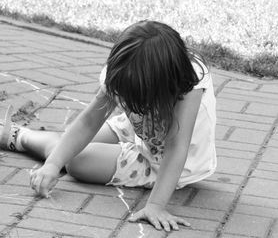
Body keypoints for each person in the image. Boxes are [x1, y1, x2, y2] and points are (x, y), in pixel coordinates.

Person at [0, 20, 216, 231]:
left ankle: (22, 139)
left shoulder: (190, 83)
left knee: (76, 161)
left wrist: (155, 205)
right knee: (70, 143)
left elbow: (177, 145)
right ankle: (19, 137)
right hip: (139, 127)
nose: (123, 99)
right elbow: (88, 122)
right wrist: (53, 165)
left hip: (167, 162)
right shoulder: (125, 70)